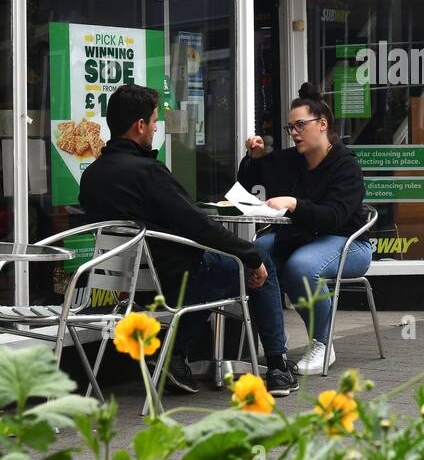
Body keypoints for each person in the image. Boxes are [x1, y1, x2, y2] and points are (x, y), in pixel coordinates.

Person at [79, 84, 298, 397]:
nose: (156, 127)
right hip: (172, 279)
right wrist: (250, 255)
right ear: (139, 125)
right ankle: (278, 367)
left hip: (125, 285)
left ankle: (174, 356)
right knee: (256, 268)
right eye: (154, 121)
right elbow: (198, 226)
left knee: (213, 274)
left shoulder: (92, 176)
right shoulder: (148, 172)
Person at [238, 83, 370, 375]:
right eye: (290, 127)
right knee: (256, 251)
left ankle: (323, 345)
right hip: (303, 238)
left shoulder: (346, 166)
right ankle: (275, 351)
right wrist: (254, 157)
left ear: (322, 125)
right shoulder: (292, 160)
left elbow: (333, 217)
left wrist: (295, 204)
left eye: (300, 125)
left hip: (348, 243)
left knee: (299, 266)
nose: (294, 133)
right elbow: (250, 180)